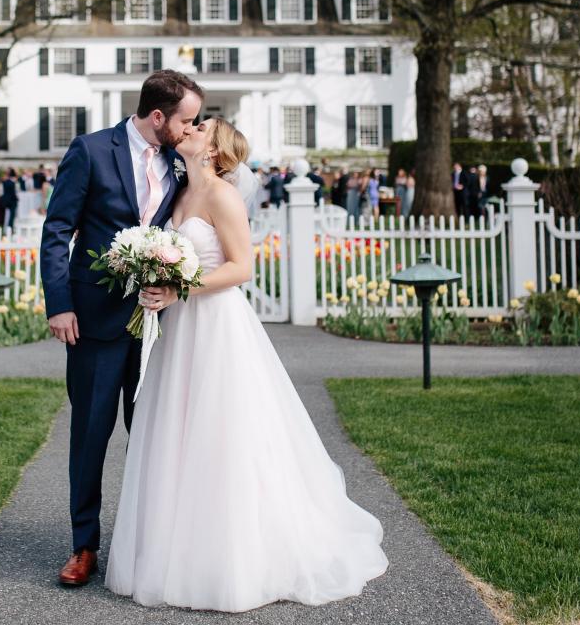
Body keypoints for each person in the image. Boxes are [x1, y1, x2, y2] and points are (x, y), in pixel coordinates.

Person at [106, 117, 388, 611]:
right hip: (180, 328)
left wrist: (178, 288)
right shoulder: (178, 194)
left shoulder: (222, 196)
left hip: (216, 324)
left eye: (202, 127)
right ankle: (177, 546)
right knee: (178, 428)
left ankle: (234, 557)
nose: (191, 128)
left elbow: (241, 267)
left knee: (223, 431)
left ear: (214, 151)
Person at [41, 69, 204, 589]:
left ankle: (142, 542)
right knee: (90, 434)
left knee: (150, 436)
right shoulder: (90, 151)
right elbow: (57, 230)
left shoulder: (181, 162)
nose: (191, 128)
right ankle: (83, 546)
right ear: (158, 116)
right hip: (91, 320)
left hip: (159, 324)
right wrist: (60, 304)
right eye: (187, 120)